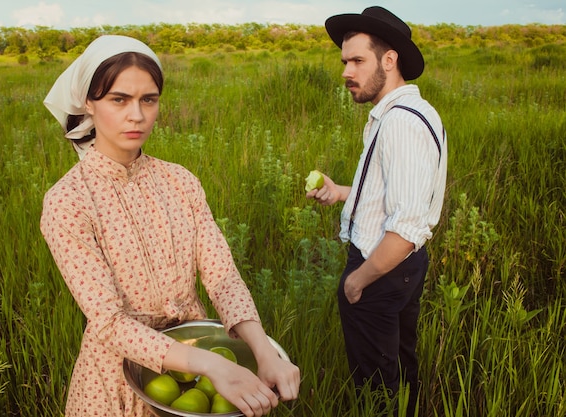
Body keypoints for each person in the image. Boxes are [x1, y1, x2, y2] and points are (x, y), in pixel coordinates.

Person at [41, 35, 300, 417]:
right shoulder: (68, 201)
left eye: (149, 99)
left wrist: (264, 352)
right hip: (117, 382)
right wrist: (213, 365)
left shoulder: (180, 181)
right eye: (119, 99)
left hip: (196, 372)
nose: (137, 115)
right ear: (88, 104)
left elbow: (222, 276)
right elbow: (109, 323)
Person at [307, 6, 447, 416]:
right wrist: (343, 193)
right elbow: (402, 194)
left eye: (357, 61)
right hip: (403, 265)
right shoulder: (414, 112)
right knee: (400, 367)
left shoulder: (400, 123)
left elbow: (404, 227)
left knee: (375, 387)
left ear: (389, 60)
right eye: (344, 62)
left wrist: (356, 282)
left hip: (381, 265)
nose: (346, 72)